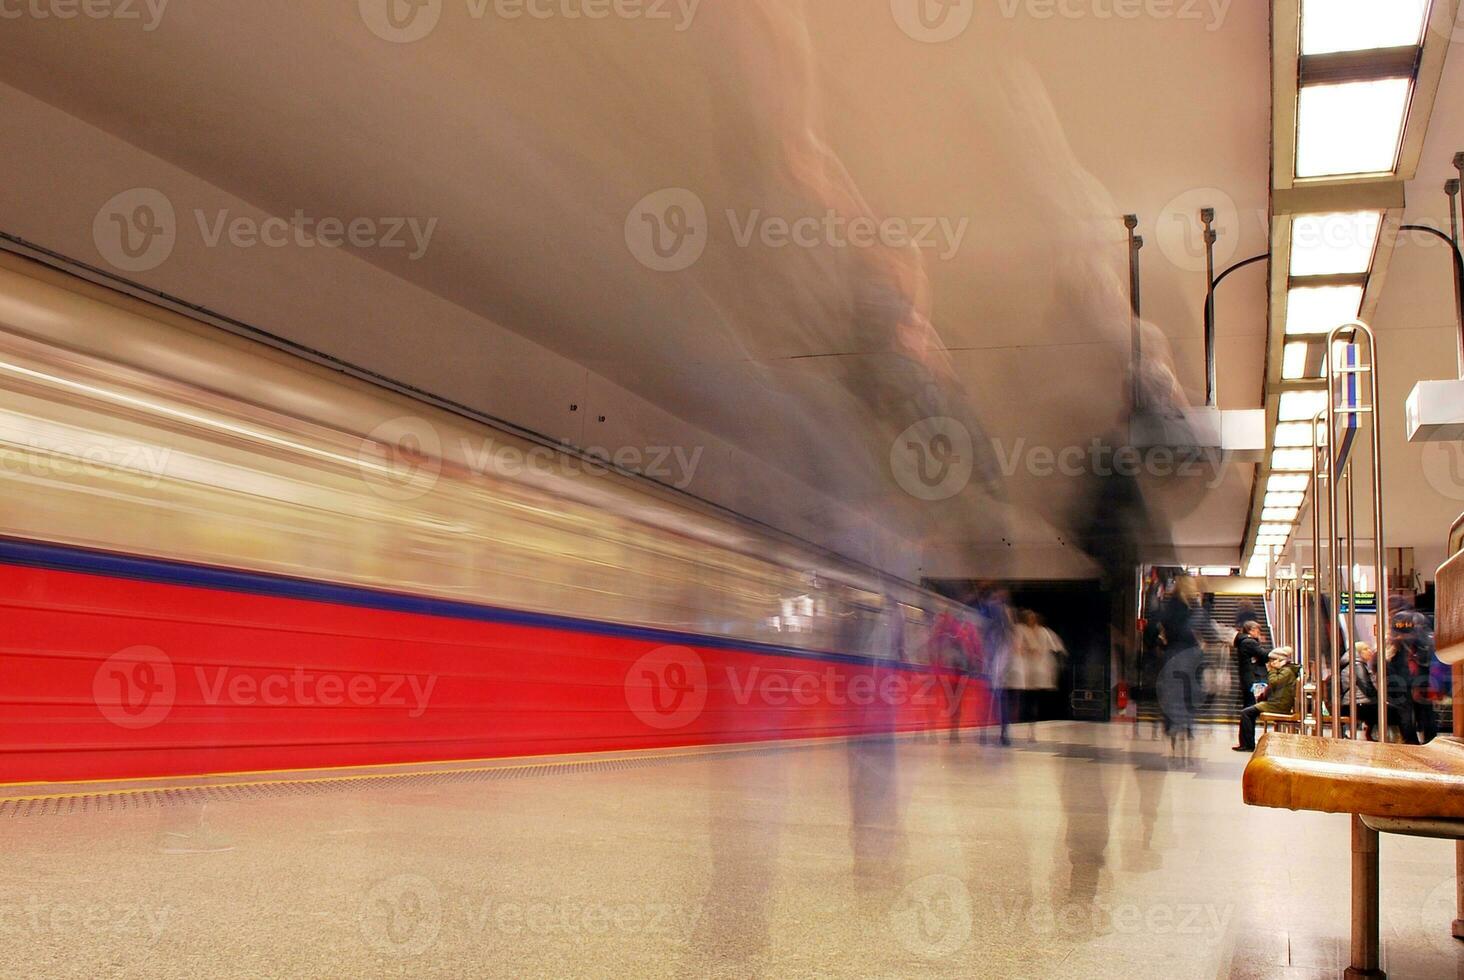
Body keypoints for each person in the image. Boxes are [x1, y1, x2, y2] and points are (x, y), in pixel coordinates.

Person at [1234, 648, 1299, 752]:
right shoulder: (1285, 670)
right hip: (1276, 702)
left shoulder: (1286, 671)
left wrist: (1271, 670)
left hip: (1278, 705)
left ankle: (1248, 745)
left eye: (1273, 660)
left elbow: (1274, 682)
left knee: (1246, 713)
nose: (1270, 663)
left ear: (1279, 660)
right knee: (1247, 712)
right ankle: (1246, 743)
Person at [1337, 642, 1380, 740]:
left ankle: (1370, 734)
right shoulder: (1357, 665)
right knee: (1389, 710)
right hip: (1357, 704)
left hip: (1352, 703)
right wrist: (1378, 697)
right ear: (1359, 652)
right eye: (1366, 649)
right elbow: (1365, 685)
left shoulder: (1354, 664)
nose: (1370, 651)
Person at [1233, 621, 1266, 709]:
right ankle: (1247, 722)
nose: (1259, 634)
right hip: (1251, 676)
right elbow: (1263, 655)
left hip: (1246, 675)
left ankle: (1246, 721)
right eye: (1258, 631)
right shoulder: (1249, 642)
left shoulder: (1243, 641)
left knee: (1248, 702)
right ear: (1251, 631)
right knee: (1251, 703)